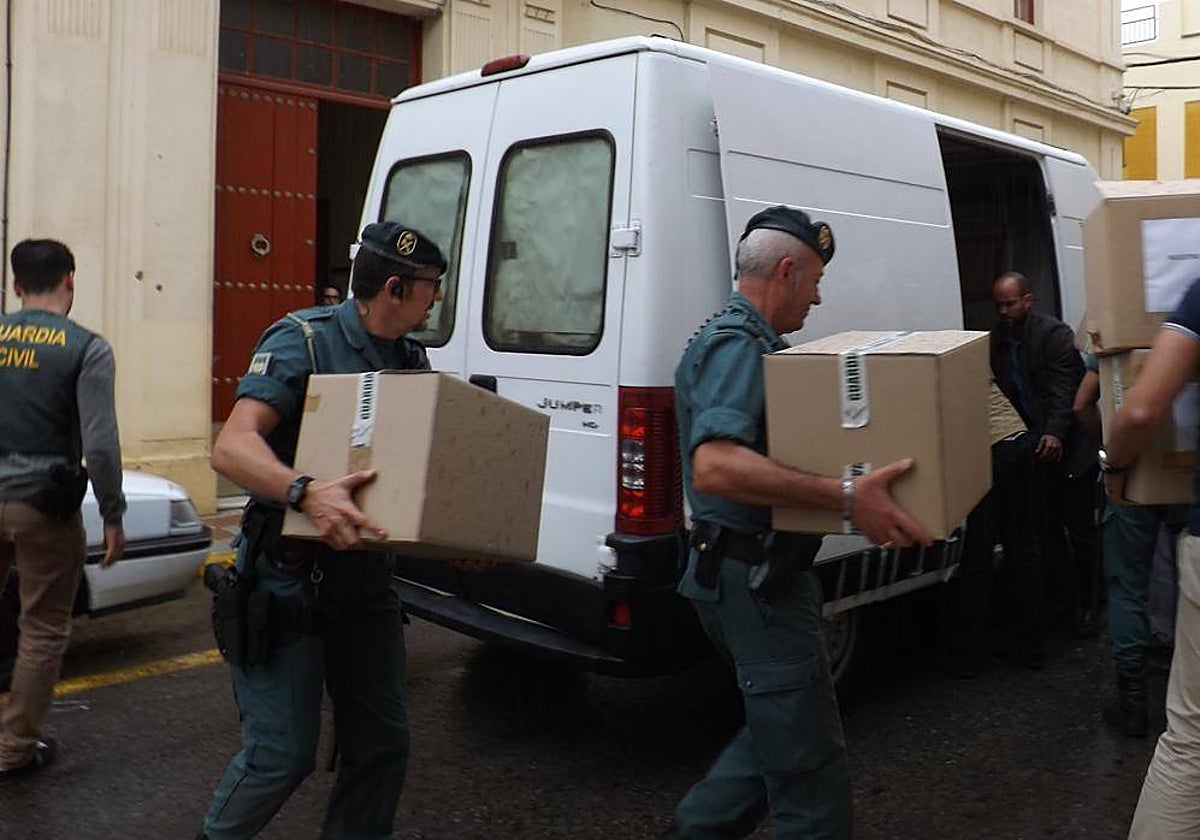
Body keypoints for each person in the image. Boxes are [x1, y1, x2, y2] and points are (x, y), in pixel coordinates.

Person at [667, 206, 932, 839]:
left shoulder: (738, 339)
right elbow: (716, 466)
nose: (818, 296)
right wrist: (846, 499)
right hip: (758, 580)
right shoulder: (738, 346)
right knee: (810, 779)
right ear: (786, 270)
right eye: (814, 280)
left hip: (739, 570)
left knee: (779, 734)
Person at [198, 222, 446, 839]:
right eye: (430, 287)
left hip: (366, 589)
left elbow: (410, 480)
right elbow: (231, 447)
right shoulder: (302, 341)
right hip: (288, 585)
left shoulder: (411, 359)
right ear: (394, 287)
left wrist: (457, 546)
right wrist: (304, 491)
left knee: (383, 744)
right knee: (280, 758)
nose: (436, 299)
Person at [0, 238, 126, 784]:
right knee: (43, 627)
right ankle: (14, 748)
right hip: (41, 507)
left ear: (15, 285)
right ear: (70, 281)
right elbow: (99, 444)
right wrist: (114, 513)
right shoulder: (86, 347)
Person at [1076, 349, 1186, 738]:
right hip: (1188, 474)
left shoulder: (1116, 332)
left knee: (1127, 586)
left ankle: (1134, 702)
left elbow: (1082, 403)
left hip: (1132, 475)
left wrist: (1110, 452)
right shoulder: (1187, 320)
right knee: (1192, 576)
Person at [989, 271, 1100, 636]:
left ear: (1027, 300)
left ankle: (1091, 605)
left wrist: (1054, 432)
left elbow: (1064, 388)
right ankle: (1062, 606)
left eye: (1010, 303)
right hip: (1034, 449)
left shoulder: (1053, 334)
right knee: (1048, 532)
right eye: (1000, 305)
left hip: (1070, 449)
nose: (1004, 311)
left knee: (1081, 531)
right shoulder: (999, 342)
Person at [942, 386, 1044, 676]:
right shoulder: (966, 351)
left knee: (978, 554)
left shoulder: (939, 355)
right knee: (1022, 548)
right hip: (1017, 439)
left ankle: (967, 655)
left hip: (992, 449)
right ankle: (1030, 646)